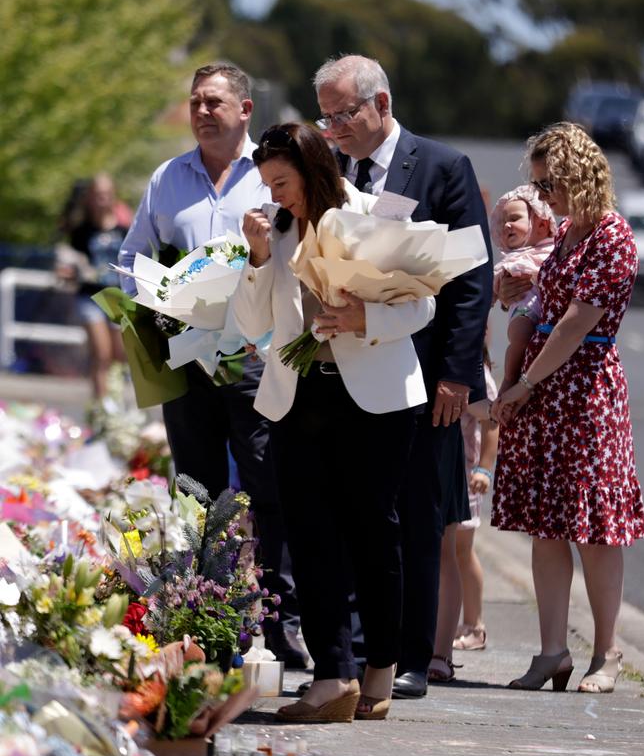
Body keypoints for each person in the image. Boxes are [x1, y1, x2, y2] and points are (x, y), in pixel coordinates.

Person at [231, 122, 436, 722]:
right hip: (300, 394)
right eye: (267, 183)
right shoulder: (278, 228)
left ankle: (381, 667)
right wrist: (258, 256)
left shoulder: (379, 212)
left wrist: (364, 318)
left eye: (282, 181)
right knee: (308, 534)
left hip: (376, 398)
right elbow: (251, 324)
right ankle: (331, 674)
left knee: (373, 532)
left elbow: (421, 304)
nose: (275, 195)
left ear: (314, 168)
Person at [313, 54, 493, 698]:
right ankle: (359, 648)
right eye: (325, 117)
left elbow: (472, 279)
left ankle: (412, 655)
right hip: (342, 373)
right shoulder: (327, 170)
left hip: (423, 378)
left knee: (415, 515)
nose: (334, 129)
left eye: (344, 115)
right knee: (348, 510)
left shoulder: (443, 166)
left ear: (381, 104)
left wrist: (458, 376)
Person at [118, 63, 306, 668]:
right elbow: (129, 261)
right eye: (195, 101)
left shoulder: (274, 177)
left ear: (245, 110)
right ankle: (202, 621)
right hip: (188, 359)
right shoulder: (167, 178)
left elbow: (305, 259)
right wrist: (160, 299)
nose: (202, 111)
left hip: (256, 359)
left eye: (214, 102)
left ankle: (283, 620)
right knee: (195, 493)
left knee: (267, 489)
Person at [492, 121, 644, 693]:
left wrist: (525, 382)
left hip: (583, 396)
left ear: (578, 177)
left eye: (549, 184)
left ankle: (606, 655)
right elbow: (545, 301)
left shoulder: (612, 237)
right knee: (545, 525)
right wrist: (518, 296)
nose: (543, 197)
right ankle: (552, 652)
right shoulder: (567, 234)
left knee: (595, 529)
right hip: (543, 393)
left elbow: (579, 323)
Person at [428, 344, 499, 680]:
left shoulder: (473, 371)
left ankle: (474, 623)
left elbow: (491, 422)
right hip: (444, 469)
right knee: (445, 552)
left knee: (461, 551)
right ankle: (450, 623)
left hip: (467, 475)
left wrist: (485, 469)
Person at [56, 173, 132, 398]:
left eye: (106, 195)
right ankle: (102, 411)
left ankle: (117, 408)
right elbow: (69, 264)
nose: (102, 200)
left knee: (120, 357)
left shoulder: (124, 230)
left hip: (117, 297)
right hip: (90, 298)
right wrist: (68, 272)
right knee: (102, 354)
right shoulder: (80, 231)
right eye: (98, 195)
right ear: (90, 198)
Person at [490, 184, 557, 393]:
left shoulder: (555, 249)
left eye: (514, 219)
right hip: (525, 308)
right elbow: (492, 285)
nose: (507, 225)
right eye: (502, 222)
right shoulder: (513, 258)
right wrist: (497, 291)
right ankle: (510, 379)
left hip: (552, 318)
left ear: (541, 224)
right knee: (519, 334)